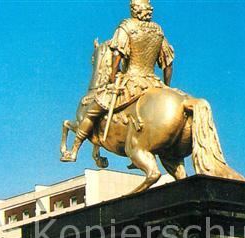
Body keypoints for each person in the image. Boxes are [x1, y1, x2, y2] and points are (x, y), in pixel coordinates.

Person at [61, 0, 175, 161]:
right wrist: (166, 87)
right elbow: (168, 64)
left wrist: (113, 77)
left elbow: (117, 55)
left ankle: (73, 151)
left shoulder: (126, 26)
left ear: (134, 10)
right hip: (154, 83)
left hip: (131, 82)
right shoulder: (158, 31)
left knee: (92, 111)